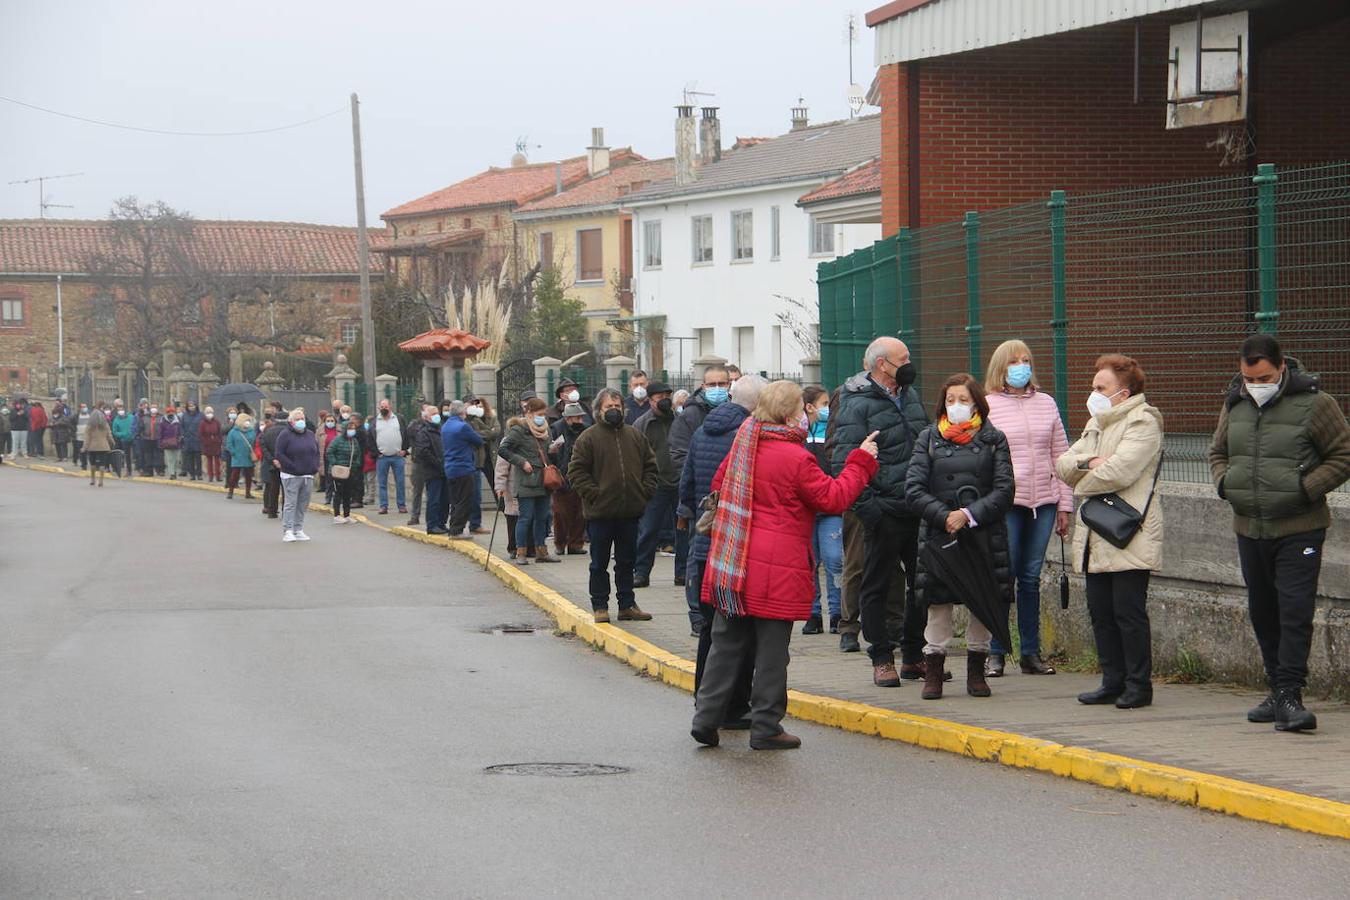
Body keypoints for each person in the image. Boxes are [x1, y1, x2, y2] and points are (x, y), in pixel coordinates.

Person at [691, 380, 880, 750]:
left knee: (725, 644)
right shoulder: (796, 458)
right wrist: (862, 460)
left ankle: (706, 718)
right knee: (772, 652)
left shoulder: (744, 445)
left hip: (733, 564)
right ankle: (765, 727)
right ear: (792, 414)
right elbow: (833, 497)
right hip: (777, 568)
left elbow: (718, 486)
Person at [1209, 335, 1350, 732]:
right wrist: (1225, 484)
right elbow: (1218, 451)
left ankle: (1291, 694)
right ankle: (1276, 689)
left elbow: (1343, 454)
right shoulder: (1235, 402)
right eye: (1248, 378)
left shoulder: (1316, 404)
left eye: (1264, 377)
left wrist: (1304, 489)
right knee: (1263, 610)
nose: (1256, 385)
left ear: (1282, 367)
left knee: (1294, 611)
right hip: (1249, 527)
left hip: (1299, 528)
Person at [1056, 354, 1164, 710]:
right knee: (1101, 612)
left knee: (1128, 613)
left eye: (1101, 388)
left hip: (1128, 532)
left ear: (1124, 391)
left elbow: (1120, 470)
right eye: (1093, 387)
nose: (1094, 394)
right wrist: (1088, 462)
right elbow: (1063, 463)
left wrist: (1081, 479)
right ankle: (1111, 680)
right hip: (1095, 534)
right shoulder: (1096, 423)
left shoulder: (1143, 421)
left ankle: (1138, 685)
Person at [905, 373, 1015, 699]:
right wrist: (944, 516)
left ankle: (977, 672)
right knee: (938, 605)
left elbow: (1005, 490)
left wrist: (968, 515)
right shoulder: (928, 438)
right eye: (950, 400)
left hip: (982, 534)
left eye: (964, 400)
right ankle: (934, 671)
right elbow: (913, 489)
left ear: (977, 403)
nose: (956, 406)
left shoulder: (994, 439)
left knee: (982, 600)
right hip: (940, 537)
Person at [832, 336, 931, 687]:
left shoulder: (911, 397)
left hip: (917, 507)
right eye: (902, 359)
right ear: (881, 365)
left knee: (922, 584)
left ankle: (914, 654)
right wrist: (871, 510)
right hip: (882, 510)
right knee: (875, 583)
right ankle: (881, 656)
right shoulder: (855, 404)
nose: (909, 364)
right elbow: (844, 461)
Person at [983, 340, 1072, 677]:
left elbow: (1060, 454)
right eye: (1014, 361)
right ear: (1000, 368)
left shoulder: (1047, 403)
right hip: (1007, 503)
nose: (1022, 366)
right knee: (1003, 576)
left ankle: (1031, 653)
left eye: (1026, 359)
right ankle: (996, 652)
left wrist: (1064, 504)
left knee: (1031, 578)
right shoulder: (988, 406)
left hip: (1045, 502)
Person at [679, 374, 766, 717]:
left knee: (710, 629)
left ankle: (705, 699)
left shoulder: (702, 430)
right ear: (758, 404)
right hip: (736, 547)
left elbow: (686, 486)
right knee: (737, 631)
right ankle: (733, 704)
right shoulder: (749, 436)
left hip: (706, 546)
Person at [568, 388, 659, 621]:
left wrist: (644, 492)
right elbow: (576, 472)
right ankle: (600, 606)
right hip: (600, 514)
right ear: (599, 410)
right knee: (599, 562)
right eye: (609, 407)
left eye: (617, 407)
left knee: (627, 562)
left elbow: (650, 467)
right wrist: (595, 495)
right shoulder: (588, 438)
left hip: (630, 512)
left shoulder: (635, 436)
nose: (614, 411)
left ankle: (627, 605)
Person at [802, 385, 843, 635]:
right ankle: (812, 614)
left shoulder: (834, 432)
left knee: (834, 559)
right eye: (824, 403)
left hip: (830, 507)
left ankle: (837, 613)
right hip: (806, 510)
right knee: (808, 562)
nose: (828, 408)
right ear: (809, 407)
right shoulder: (798, 434)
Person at [633, 381, 683, 588]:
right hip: (654, 485)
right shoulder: (641, 424)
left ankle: (683, 573)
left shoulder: (681, 421)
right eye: (659, 397)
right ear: (649, 401)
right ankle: (641, 572)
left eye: (667, 396)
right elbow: (636, 456)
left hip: (679, 482)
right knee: (648, 530)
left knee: (683, 531)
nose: (664, 400)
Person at [498, 398, 559, 561]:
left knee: (542, 517)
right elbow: (503, 450)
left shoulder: (546, 430)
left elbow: (546, 451)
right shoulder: (519, 430)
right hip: (526, 481)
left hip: (544, 481)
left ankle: (541, 551)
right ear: (529, 413)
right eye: (539, 414)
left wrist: (553, 451)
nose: (542, 418)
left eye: (544, 414)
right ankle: (521, 552)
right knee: (525, 517)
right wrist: (521, 462)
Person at [669, 364, 732, 473]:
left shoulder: (736, 411)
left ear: (729, 385)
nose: (717, 388)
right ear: (703, 386)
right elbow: (679, 454)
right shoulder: (689, 415)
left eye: (721, 384)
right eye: (712, 385)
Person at [548, 402, 589, 555]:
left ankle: (576, 544)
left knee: (580, 513)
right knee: (560, 513)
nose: (579, 420)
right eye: (575, 418)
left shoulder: (585, 430)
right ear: (567, 418)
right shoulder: (556, 429)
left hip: (580, 476)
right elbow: (551, 451)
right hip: (561, 475)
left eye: (580, 417)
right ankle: (560, 543)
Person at [440, 400, 485, 540]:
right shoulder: (462, 426)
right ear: (462, 412)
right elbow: (478, 440)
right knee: (465, 499)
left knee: (455, 500)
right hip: (464, 467)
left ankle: (453, 526)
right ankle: (457, 530)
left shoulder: (446, 426)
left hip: (450, 467)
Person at [275, 407, 320, 542]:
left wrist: (315, 466)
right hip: (291, 475)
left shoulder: (310, 434)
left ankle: (298, 528)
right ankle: (287, 530)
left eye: (302, 419)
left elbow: (316, 452)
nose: (300, 421)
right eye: (297, 419)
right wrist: (292, 466)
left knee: (303, 503)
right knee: (291, 503)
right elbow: (279, 454)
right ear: (291, 421)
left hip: (308, 474)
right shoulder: (285, 435)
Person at [464, 396, 500, 534]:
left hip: (491, 457)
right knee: (475, 494)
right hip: (476, 459)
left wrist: (485, 434)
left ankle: (502, 510)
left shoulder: (491, 416)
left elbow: (496, 431)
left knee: (498, 486)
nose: (476, 406)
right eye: (472, 404)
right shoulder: (468, 420)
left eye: (477, 403)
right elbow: (473, 435)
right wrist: (488, 432)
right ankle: (475, 523)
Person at [407, 405, 443, 531]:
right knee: (432, 498)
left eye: (437, 412)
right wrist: (437, 462)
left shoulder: (439, 429)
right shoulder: (423, 431)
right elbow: (423, 451)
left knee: (441, 499)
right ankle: (432, 525)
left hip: (440, 469)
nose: (436, 415)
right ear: (426, 417)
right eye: (433, 413)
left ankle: (440, 524)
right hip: (431, 470)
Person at [372, 399, 409, 515]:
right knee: (382, 483)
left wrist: (405, 450)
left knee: (400, 482)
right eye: (382, 406)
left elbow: (406, 434)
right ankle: (383, 506)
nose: (384, 408)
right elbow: (370, 439)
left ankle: (401, 505)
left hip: (397, 456)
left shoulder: (399, 419)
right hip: (382, 457)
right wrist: (376, 453)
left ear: (390, 407)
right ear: (379, 408)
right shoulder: (375, 421)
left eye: (386, 406)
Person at [326, 415, 364, 523]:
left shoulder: (354, 441)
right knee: (338, 493)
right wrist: (335, 463)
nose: (352, 430)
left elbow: (358, 454)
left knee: (348, 493)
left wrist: (355, 465)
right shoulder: (337, 440)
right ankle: (337, 515)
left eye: (353, 428)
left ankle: (347, 514)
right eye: (349, 428)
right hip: (338, 471)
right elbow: (330, 452)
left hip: (350, 471)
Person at [494, 453, 522, 558]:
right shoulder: (508, 441)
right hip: (512, 487)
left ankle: (528, 546)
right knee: (512, 517)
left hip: (528, 485)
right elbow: (501, 468)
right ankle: (513, 547)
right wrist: (500, 486)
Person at [225, 414, 258, 500]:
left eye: (248, 421)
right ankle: (230, 491)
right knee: (234, 475)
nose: (247, 423)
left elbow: (255, 443)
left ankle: (248, 492)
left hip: (248, 457)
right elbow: (229, 444)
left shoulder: (252, 432)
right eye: (245, 421)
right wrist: (233, 452)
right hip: (237, 457)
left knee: (248, 476)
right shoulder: (233, 432)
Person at [259, 410, 285, 518]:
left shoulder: (268, 431)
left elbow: (264, 447)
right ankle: (286, 511)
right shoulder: (289, 431)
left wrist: (272, 460)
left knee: (273, 488)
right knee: (286, 490)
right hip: (287, 465)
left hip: (273, 464)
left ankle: (272, 510)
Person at [83, 402, 114, 486]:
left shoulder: (90, 426)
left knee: (92, 463)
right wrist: (112, 442)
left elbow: (87, 437)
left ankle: (93, 479)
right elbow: (109, 435)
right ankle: (101, 480)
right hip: (103, 446)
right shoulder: (105, 424)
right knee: (102, 464)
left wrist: (84, 447)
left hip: (92, 447)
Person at [318, 412, 341, 503]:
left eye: (332, 421)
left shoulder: (340, 431)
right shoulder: (320, 431)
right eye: (328, 421)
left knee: (339, 478)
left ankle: (339, 497)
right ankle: (328, 497)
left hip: (338, 457)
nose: (330, 422)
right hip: (325, 457)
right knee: (328, 478)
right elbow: (316, 444)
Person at [136, 403, 164, 476]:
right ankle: (148, 471)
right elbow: (140, 427)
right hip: (147, 439)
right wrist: (142, 435)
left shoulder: (161, 417)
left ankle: (160, 470)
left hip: (158, 439)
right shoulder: (145, 417)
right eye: (152, 407)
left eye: (155, 407)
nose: (154, 409)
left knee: (159, 455)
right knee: (148, 456)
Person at [179, 400, 203, 480]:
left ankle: (199, 474)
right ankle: (192, 474)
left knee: (198, 459)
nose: (191, 407)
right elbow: (181, 426)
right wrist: (183, 435)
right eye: (190, 406)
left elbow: (203, 426)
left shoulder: (200, 415)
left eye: (193, 405)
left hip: (197, 439)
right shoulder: (184, 415)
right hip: (188, 440)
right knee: (190, 459)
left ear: (196, 406)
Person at [200, 406, 224, 483]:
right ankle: (210, 476)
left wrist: (219, 441)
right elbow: (201, 434)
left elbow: (220, 432)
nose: (209, 414)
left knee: (217, 461)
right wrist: (205, 441)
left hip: (216, 444)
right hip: (207, 444)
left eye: (210, 412)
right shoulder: (202, 423)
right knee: (209, 461)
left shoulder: (217, 422)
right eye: (207, 412)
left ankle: (218, 476)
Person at [110, 402, 134, 477]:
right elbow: (114, 431)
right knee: (127, 456)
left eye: (121, 409)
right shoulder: (116, 420)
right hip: (124, 440)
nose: (120, 411)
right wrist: (122, 435)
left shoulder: (131, 417)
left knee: (138, 454)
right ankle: (129, 471)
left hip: (133, 438)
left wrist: (134, 433)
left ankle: (140, 469)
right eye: (119, 409)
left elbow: (135, 425)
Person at [159, 406, 183, 479]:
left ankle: (175, 471)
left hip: (177, 442)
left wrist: (180, 438)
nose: (170, 413)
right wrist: (160, 442)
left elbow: (181, 430)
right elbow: (160, 432)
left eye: (172, 411)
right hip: (166, 442)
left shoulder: (178, 420)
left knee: (177, 459)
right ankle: (172, 473)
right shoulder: (163, 420)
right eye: (168, 412)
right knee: (169, 459)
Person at [75, 402, 91, 469]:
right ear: (80, 408)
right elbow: (70, 423)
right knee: (82, 452)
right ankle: (83, 465)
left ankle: (92, 464)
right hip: (80, 437)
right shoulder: (76, 416)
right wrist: (74, 431)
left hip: (89, 437)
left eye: (85, 407)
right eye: (83, 407)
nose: (84, 408)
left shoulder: (90, 415)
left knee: (90, 452)